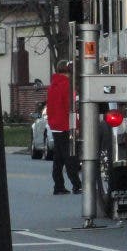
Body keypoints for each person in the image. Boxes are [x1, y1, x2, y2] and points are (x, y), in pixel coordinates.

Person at [47, 60, 81, 195]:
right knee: (70, 156)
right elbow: (70, 108)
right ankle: (76, 185)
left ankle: (58, 185)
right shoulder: (67, 86)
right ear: (68, 71)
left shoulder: (52, 86)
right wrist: (76, 125)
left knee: (58, 158)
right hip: (65, 125)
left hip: (55, 125)